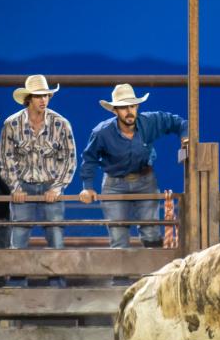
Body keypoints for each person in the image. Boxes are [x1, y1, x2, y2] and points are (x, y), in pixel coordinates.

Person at [78, 84, 187, 249]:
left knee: (151, 232)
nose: (129, 111)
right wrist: (87, 187)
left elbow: (180, 123)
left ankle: (154, 272)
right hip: (114, 184)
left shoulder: (149, 122)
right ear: (114, 110)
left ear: (137, 107)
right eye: (123, 107)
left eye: (132, 106)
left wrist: (185, 138)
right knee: (118, 235)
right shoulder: (102, 132)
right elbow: (89, 158)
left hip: (145, 180)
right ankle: (121, 275)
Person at [0, 75, 76, 251]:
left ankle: (57, 279)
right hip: (23, 187)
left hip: (51, 187)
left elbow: (69, 159)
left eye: (46, 95)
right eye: (38, 95)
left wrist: (57, 188)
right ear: (28, 99)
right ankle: (17, 279)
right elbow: (6, 158)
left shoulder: (61, 124)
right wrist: (15, 187)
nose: (43, 99)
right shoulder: (11, 124)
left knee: (56, 238)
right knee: (18, 240)